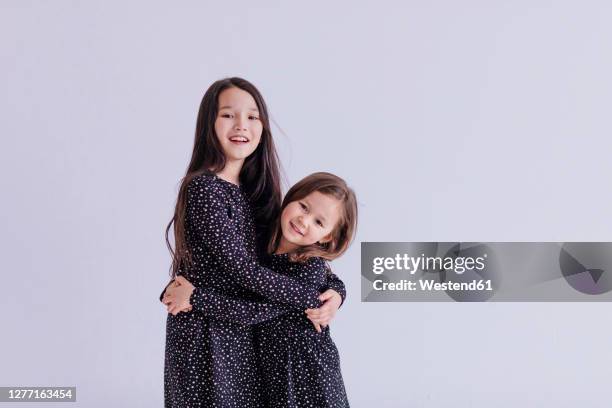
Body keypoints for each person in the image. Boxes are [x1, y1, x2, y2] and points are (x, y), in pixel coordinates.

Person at [160, 77, 346, 407]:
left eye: (252, 116)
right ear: (210, 123)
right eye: (228, 115)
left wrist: (335, 291)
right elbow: (244, 270)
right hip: (206, 333)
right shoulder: (205, 189)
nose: (241, 125)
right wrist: (308, 296)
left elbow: (289, 258)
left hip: (243, 331)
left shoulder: (256, 192)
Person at [166, 172, 357, 407]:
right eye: (304, 207)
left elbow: (253, 312)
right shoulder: (261, 242)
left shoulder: (309, 268)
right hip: (271, 368)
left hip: (305, 371)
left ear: (327, 236)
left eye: (319, 222)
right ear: (291, 198)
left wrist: (196, 298)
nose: (304, 221)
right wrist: (338, 291)